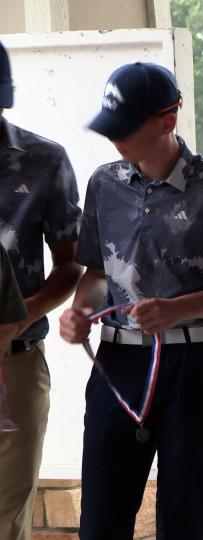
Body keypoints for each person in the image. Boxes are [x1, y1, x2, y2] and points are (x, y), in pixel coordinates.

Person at [58, 62, 203, 539]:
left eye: (125, 128)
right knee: (101, 521)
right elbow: (95, 271)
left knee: (182, 518)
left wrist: (178, 309)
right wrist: (80, 312)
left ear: (167, 121)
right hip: (117, 366)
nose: (114, 139)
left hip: (193, 366)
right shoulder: (103, 183)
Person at [0, 40, 83, 540]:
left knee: (7, 522)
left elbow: (72, 267)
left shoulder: (44, 160)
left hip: (15, 362)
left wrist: (19, 315)